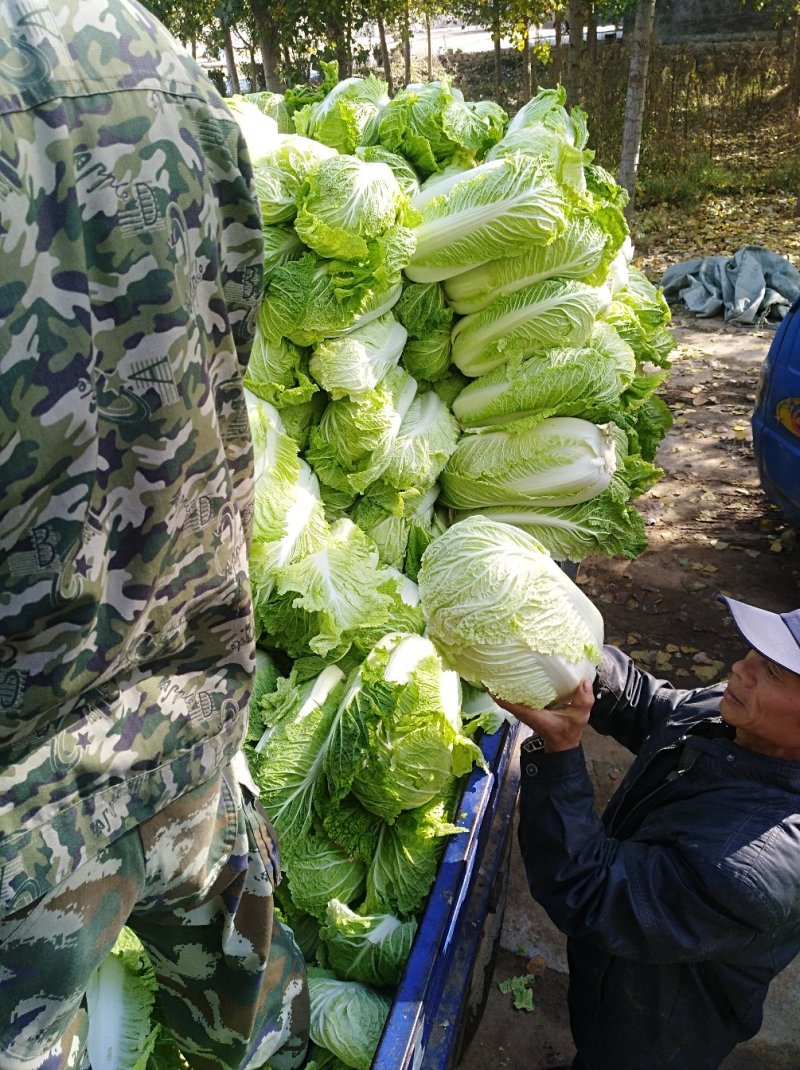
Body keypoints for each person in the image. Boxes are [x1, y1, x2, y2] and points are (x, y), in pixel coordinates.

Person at [0, 2, 308, 1068]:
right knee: (251, 1013)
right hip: (181, 707)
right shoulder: (137, 44)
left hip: (20, 810)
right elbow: (234, 328)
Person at [497, 595, 800, 1070]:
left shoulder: (756, 864)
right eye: (756, 652)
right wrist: (561, 652)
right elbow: (650, 707)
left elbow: (589, 890)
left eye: (775, 672)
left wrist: (559, 749)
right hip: (614, 976)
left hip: (657, 1028)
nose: (743, 668)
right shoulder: (732, 715)